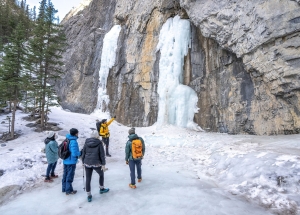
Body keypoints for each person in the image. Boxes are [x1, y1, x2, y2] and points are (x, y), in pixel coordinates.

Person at [82, 130, 109, 202]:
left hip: (87, 163)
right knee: (101, 174)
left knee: (88, 178)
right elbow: (102, 155)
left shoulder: (86, 142)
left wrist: (83, 162)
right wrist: (103, 164)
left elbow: (83, 152)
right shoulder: (99, 143)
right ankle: (101, 188)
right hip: (96, 163)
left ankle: (89, 195)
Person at [62, 128, 81, 195]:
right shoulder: (73, 141)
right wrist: (80, 153)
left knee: (65, 174)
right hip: (71, 161)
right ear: (75, 133)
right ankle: (69, 190)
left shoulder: (66, 139)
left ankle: (64, 188)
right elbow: (74, 153)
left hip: (65, 160)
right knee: (70, 176)